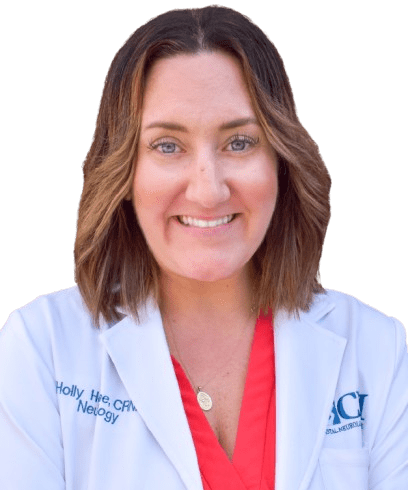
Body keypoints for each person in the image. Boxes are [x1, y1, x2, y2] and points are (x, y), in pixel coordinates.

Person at [0, 5, 407, 490]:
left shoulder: (377, 350)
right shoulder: (40, 348)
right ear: (124, 172)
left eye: (239, 142)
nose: (208, 190)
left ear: (281, 160)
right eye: (168, 146)